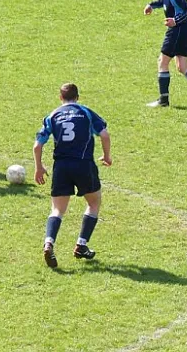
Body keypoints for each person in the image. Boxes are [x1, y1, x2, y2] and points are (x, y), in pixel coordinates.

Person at [33, 83, 112, 268]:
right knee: (93, 203)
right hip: (84, 165)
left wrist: (39, 167)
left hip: (61, 167)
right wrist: (107, 156)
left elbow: (37, 145)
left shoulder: (53, 115)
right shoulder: (85, 112)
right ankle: (81, 245)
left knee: (57, 210)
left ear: (61, 98)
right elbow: (105, 135)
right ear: (78, 97)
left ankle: (49, 243)